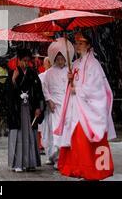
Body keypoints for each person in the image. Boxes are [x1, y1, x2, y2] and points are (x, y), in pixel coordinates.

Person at [54, 32, 116, 181]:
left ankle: (92, 169)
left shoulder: (94, 65)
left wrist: (78, 90)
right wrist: (70, 80)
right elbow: (72, 86)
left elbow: (96, 88)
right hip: (76, 108)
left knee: (86, 140)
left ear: (88, 46)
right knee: (76, 140)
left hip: (88, 110)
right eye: (76, 43)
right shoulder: (75, 64)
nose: (78, 46)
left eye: (81, 43)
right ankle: (78, 168)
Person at [6, 49, 45, 172]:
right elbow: (7, 94)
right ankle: (18, 163)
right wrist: (13, 80)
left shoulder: (33, 74)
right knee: (18, 135)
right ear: (19, 60)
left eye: (28, 61)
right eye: (24, 61)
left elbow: (39, 91)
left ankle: (30, 162)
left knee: (30, 134)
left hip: (30, 108)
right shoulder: (12, 73)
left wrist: (38, 107)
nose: (26, 63)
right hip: (17, 110)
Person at [40, 38, 73, 169]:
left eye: (63, 59)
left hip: (67, 104)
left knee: (67, 130)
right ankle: (56, 158)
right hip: (54, 105)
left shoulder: (68, 71)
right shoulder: (49, 73)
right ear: (55, 59)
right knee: (55, 132)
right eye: (58, 59)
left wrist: (72, 80)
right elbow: (44, 87)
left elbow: (72, 87)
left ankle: (66, 157)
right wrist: (49, 100)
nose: (60, 61)